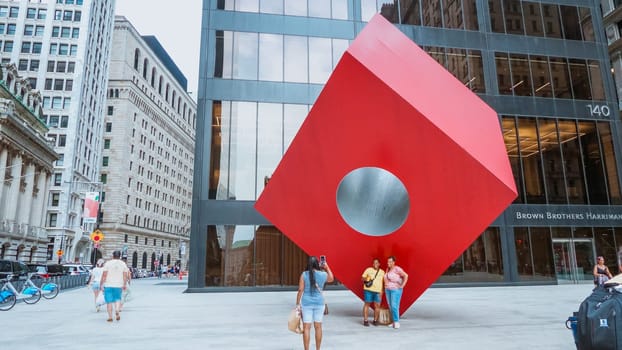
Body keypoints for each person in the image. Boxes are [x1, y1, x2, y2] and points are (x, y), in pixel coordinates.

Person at [296, 256, 334, 350]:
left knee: (306, 328)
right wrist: (327, 267)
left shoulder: (304, 274)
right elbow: (331, 279)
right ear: (318, 264)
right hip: (319, 303)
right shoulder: (323, 274)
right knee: (318, 327)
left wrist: (297, 304)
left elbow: (300, 290)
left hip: (306, 303)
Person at [100, 250, 129, 322]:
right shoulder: (123, 264)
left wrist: (101, 284)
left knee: (109, 301)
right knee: (117, 299)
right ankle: (117, 310)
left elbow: (104, 275)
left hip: (108, 284)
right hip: (118, 285)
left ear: (113, 256)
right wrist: (124, 284)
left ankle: (110, 317)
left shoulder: (108, 263)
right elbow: (125, 276)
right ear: (120, 256)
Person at [383, 255, 408, 329]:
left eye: (390, 261)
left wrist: (402, 285)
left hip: (395, 290)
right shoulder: (387, 269)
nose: (388, 263)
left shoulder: (397, 269)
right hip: (388, 289)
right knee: (390, 306)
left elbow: (406, 275)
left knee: (394, 306)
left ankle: (397, 322)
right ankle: (393, 321)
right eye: (388, 261)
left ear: (394, 262)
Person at [361, 258, 384, 326]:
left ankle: (375, 320)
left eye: (376, 263)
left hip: (378, 292)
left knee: (377, 306)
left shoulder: (382, 272)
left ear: (379, 264)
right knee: (367, 304)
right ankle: (365, 320)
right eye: (374, 263)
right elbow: (362, 278)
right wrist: (367, 278)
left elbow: (383, 283)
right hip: (368, 290)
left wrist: (382, 291)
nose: (375, 264)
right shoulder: (368, 270)